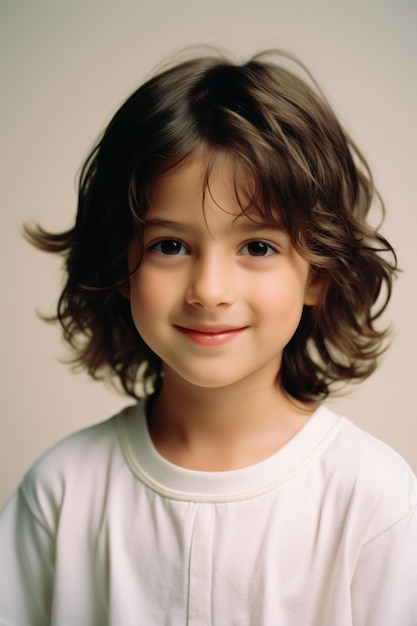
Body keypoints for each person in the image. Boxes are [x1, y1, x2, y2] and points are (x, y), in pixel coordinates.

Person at [0, 49, 416, 626]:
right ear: (121, 265)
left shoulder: (373, 498)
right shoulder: (61, 492)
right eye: (170, 245)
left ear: (317, 273)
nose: (210, 290)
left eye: (258, 247)